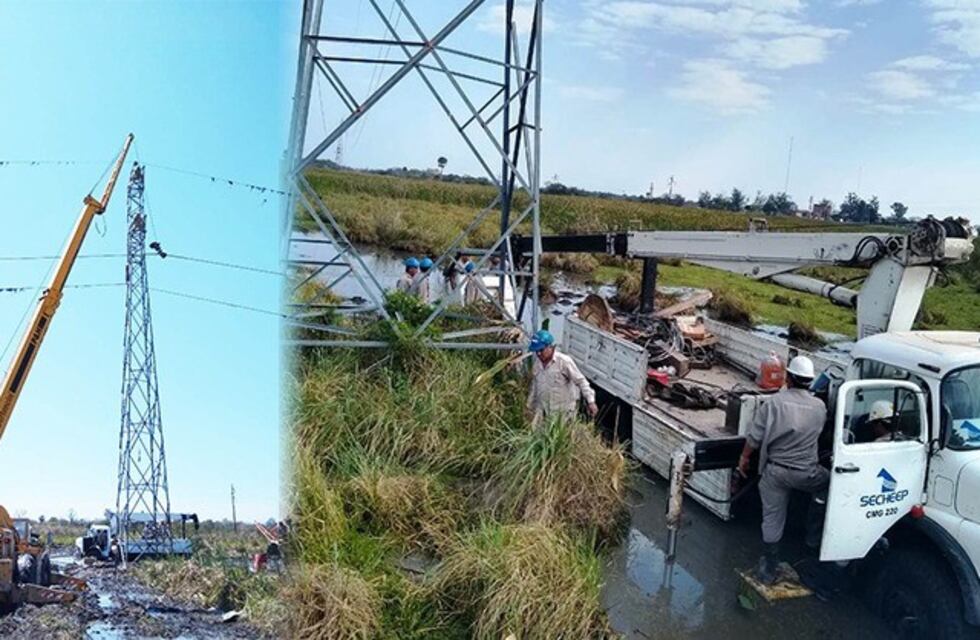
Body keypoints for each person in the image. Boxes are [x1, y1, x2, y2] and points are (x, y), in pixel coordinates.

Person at [737, 355, 828, 585]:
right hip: (807, 473)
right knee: (830, 485)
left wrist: (744, 458)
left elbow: (754, 438)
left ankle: (769, 565)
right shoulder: (820, 407)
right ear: (809, 381)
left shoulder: (773, 403)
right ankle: (813, 541)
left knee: (772, 517)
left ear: (788, 378)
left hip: (775, 473)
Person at [526, 329, 598, 426]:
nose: (538, 354)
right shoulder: (537, 364)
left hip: (562, 414)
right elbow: (535, 386)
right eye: (536, 351)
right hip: (543, 412)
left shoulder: (564, 362)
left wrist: (591, 401)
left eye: (541, 350)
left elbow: (581, 381)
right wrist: (529, 406)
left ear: (550, 347)